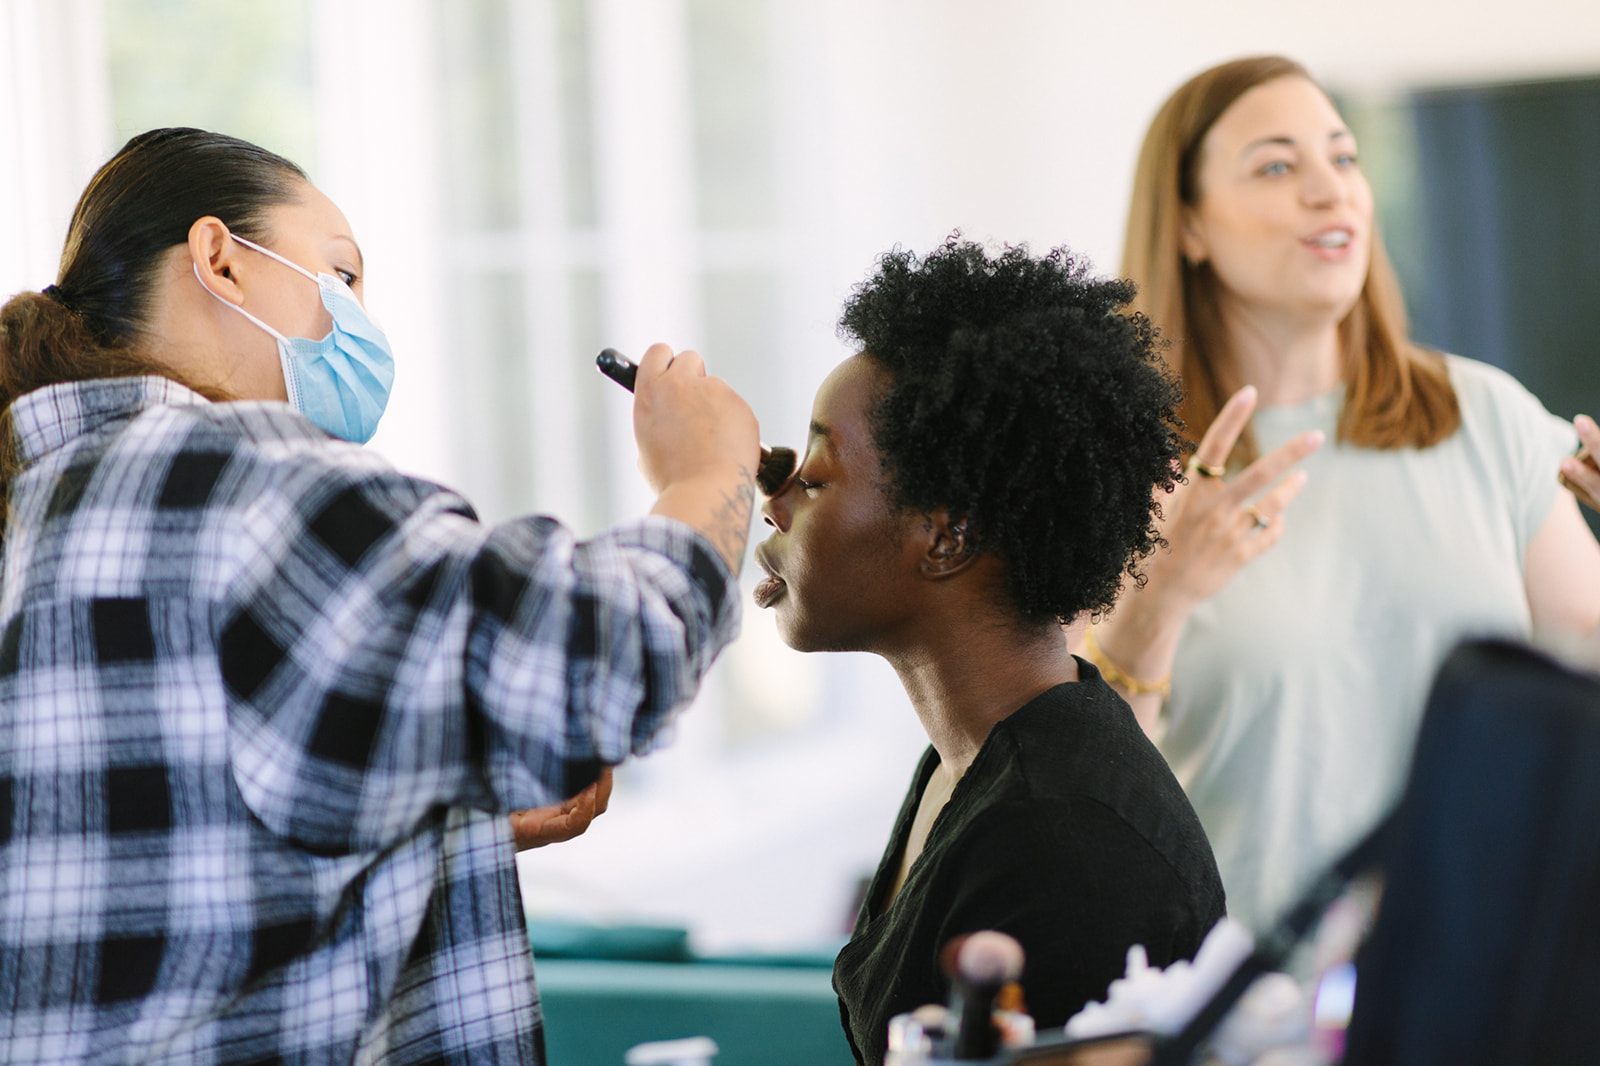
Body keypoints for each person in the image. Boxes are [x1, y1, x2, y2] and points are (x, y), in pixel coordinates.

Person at [0, 128, 757, 1064]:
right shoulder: (232, 482)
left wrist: (422, 823)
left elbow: (139, 870)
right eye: (343, 276)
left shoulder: (43, 496)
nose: (363, 320)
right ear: (220, 262)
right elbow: (590, 660)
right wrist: (707, 475)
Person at [1090, 55, 1600, 931]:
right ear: (1189, 227)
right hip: (1248, 1008)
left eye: (1345, 158)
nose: (1333, 192)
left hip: (1493, 979)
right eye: (1278, 166)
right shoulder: (1111, 473)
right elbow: (1075, 805)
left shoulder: (1487, 417)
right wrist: (1157, 601)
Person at [754, 239, 1226, 1066]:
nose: (776, 503)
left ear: (944, 537)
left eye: (816, 479)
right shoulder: (967, 762)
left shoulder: (1067, 846)